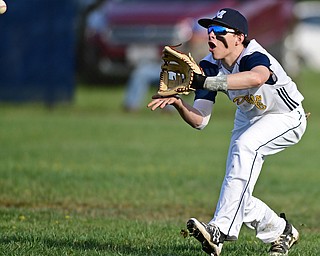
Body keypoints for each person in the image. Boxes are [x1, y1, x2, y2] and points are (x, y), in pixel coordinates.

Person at [147, 8, 307, 256]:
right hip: (248, 116)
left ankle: (220, 231)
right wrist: (179, 103)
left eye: (220, 31)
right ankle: (280, 231)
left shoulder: (253, 55)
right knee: (235, 185)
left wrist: (207, 83)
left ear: (238, 38)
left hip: (285, 115)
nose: (212, 36)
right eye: (209, 30)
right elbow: (200, 120)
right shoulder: (209, 66)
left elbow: (256, 78)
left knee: (245, 146)